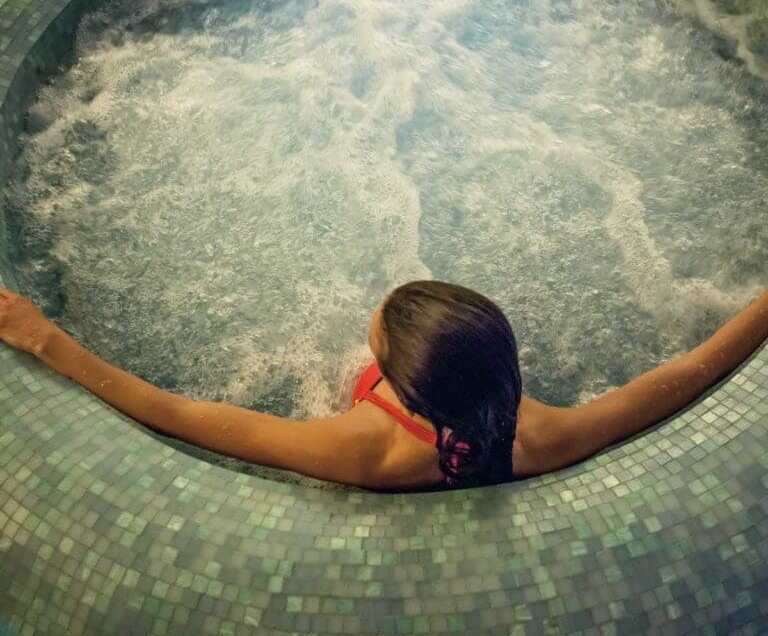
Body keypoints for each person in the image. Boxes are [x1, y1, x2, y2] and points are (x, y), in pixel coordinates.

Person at [0, 279, 766, 490]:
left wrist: (45, 338)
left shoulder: (362, 448)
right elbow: (680, 377)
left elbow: (180, 414)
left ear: (404, 387)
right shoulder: (538, 432)